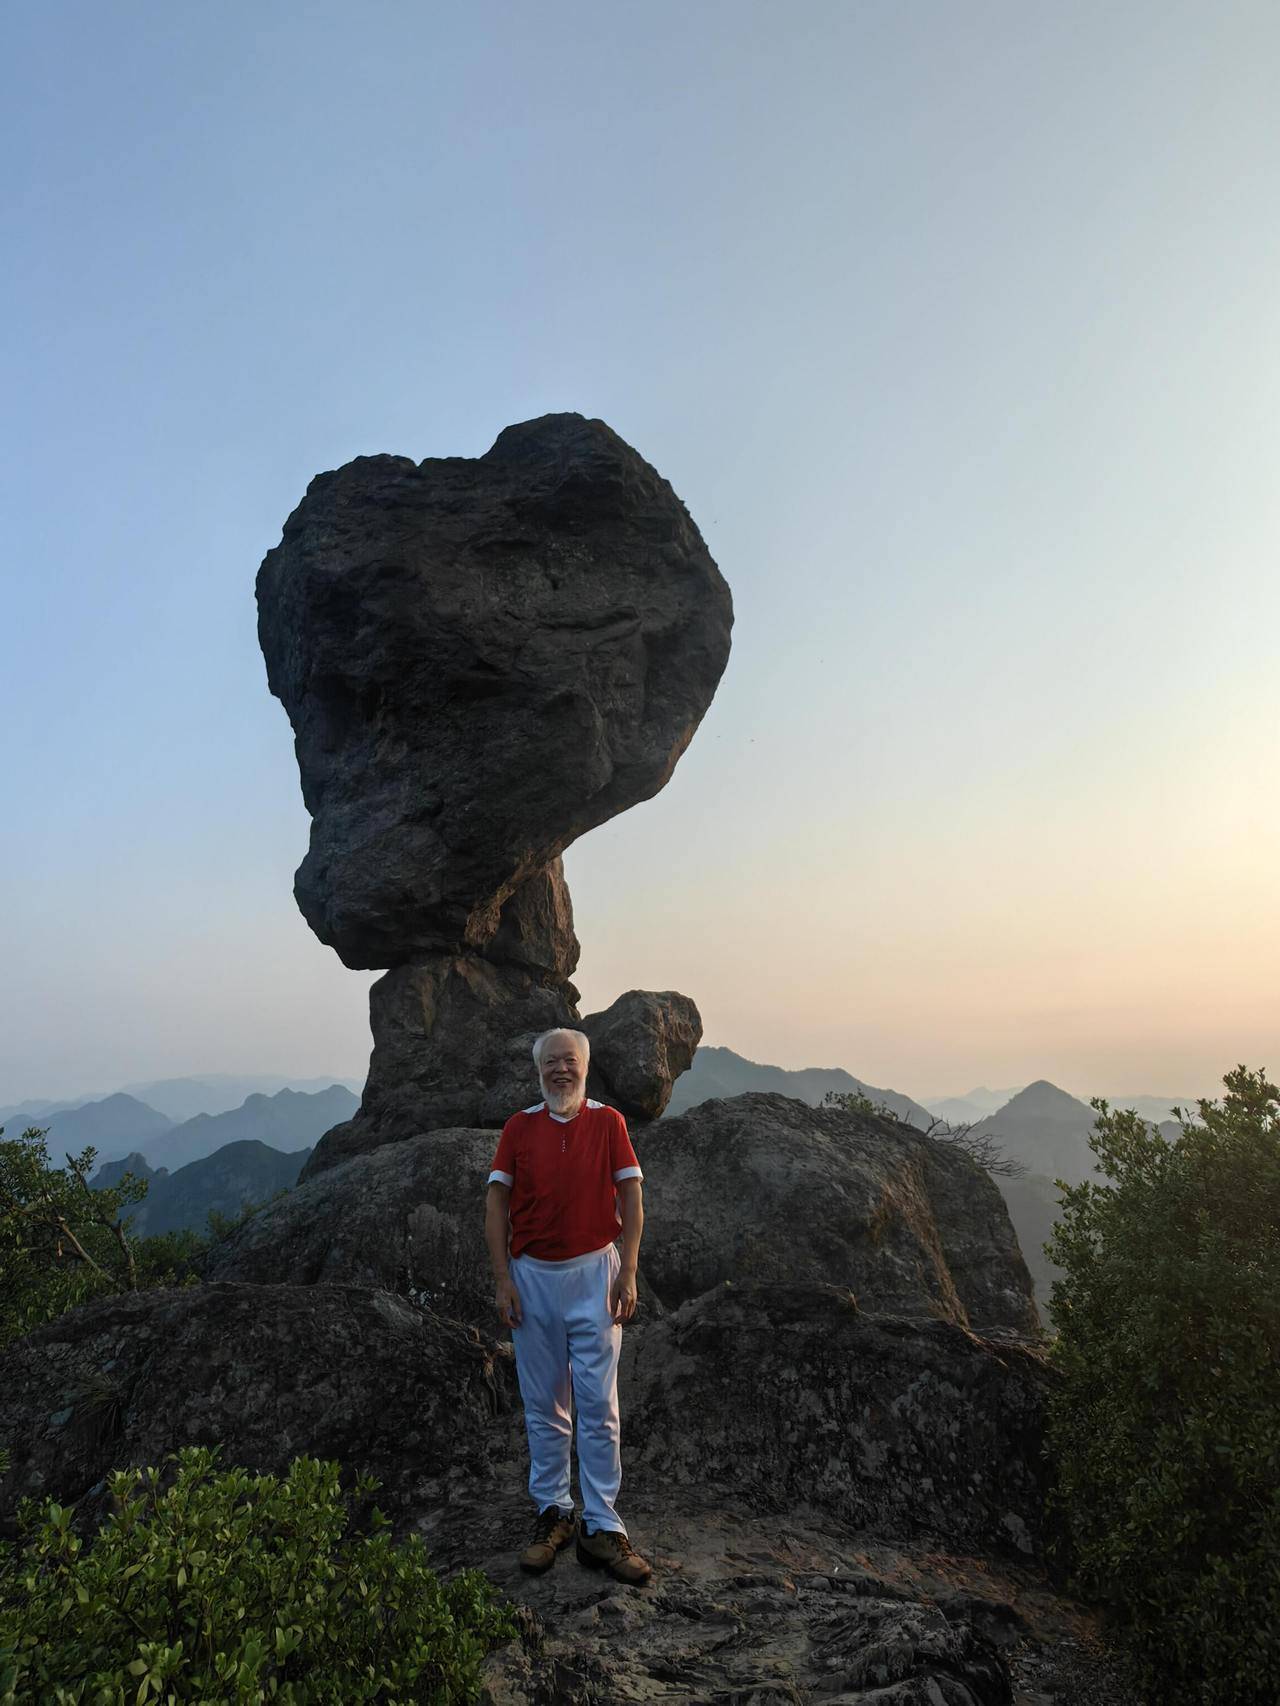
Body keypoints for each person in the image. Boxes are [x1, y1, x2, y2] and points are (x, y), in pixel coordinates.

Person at [484, 1026, 653, 1585]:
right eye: (552, 1061)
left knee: (598, 1404)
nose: (562, 1069)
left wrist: (628, 1269)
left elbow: (630, 1192)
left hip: (595, 1275)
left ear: (586, 1066)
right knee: (544, 1404)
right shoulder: (519, 1127)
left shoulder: (608, 1123)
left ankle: (602, 1525)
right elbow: (497, 1202)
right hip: (532, 1279)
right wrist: (503, 1279)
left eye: (571, 1061)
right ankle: (552, 1512)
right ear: (539, 1071)